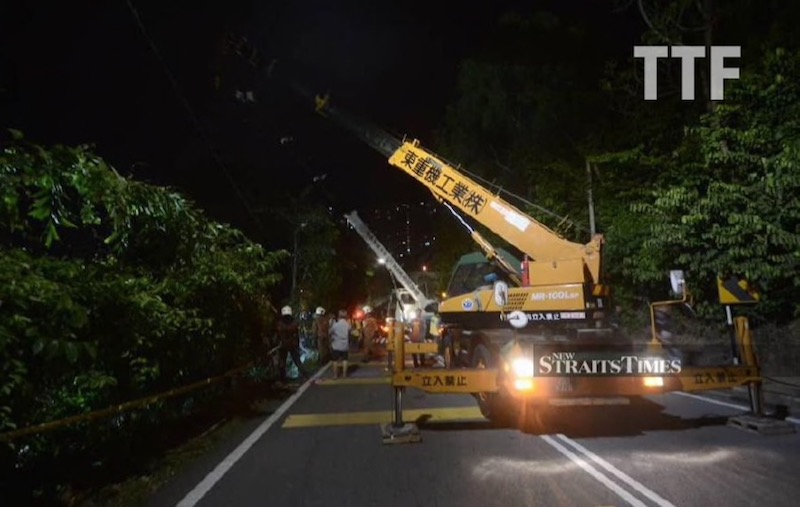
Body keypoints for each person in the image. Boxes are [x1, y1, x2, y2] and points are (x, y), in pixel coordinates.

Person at [276, 305, 310, 383]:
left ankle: (282, 379)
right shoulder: (294, 323)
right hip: (292, 344)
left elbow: (279, 334)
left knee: (282, 362)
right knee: (297, 361)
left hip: (284, 345)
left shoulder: (280, 323)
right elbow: (296, 334)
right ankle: (305, 375)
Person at [329, 309, 351, 378]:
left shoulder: (335, 325)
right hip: (345, 345)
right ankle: (344, 374)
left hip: (336, 345)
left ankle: (335, 375)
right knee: (345, 360)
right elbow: (350, 332)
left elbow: (330, 332)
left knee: (335, 360)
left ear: (339, 316)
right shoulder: (348, 324)